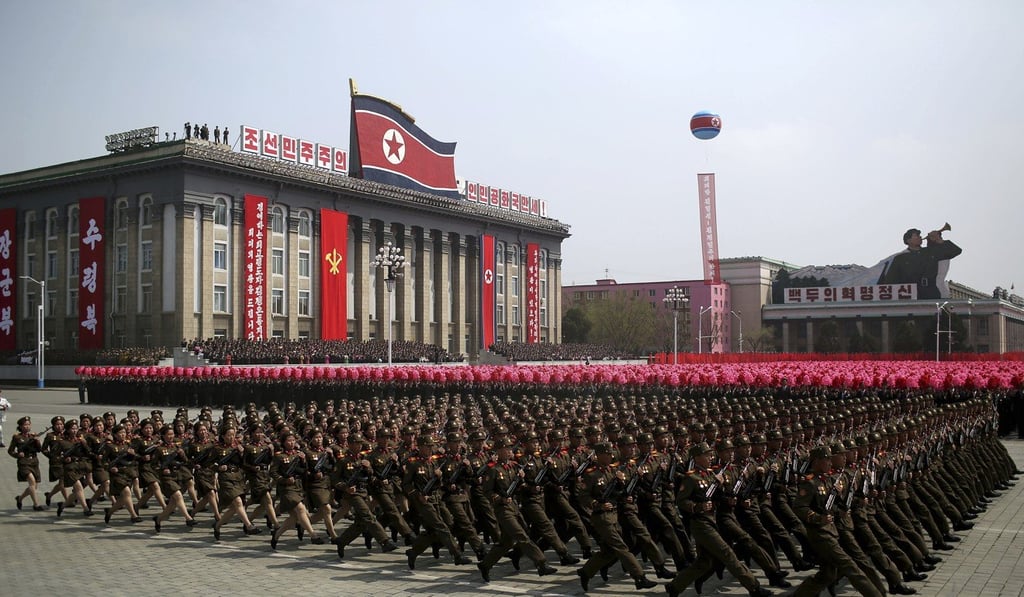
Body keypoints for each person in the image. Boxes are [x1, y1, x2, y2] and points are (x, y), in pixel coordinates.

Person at [878, 227, 962, 299]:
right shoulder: (900, 258)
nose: (920, 237)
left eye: (919, 235)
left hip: (931, 292)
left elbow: (956, 251)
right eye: (916, 235)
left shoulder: (930, 251)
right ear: (908, 240)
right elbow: (890, 281)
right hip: (909, 295)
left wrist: (939, 240)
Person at [8, 416, 45, 510]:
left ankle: (20, 498)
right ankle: (36, 504)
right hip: (23, 462)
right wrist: (17, 454)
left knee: (34, 486)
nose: (27, 426)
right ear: (20, 426)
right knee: (32, 482)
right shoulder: (17, 437)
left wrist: (37, 441)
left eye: (28, 424)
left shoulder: (33, 436)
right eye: (25, 425)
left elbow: (39, 450)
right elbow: (10, 451)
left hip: (34, 462)